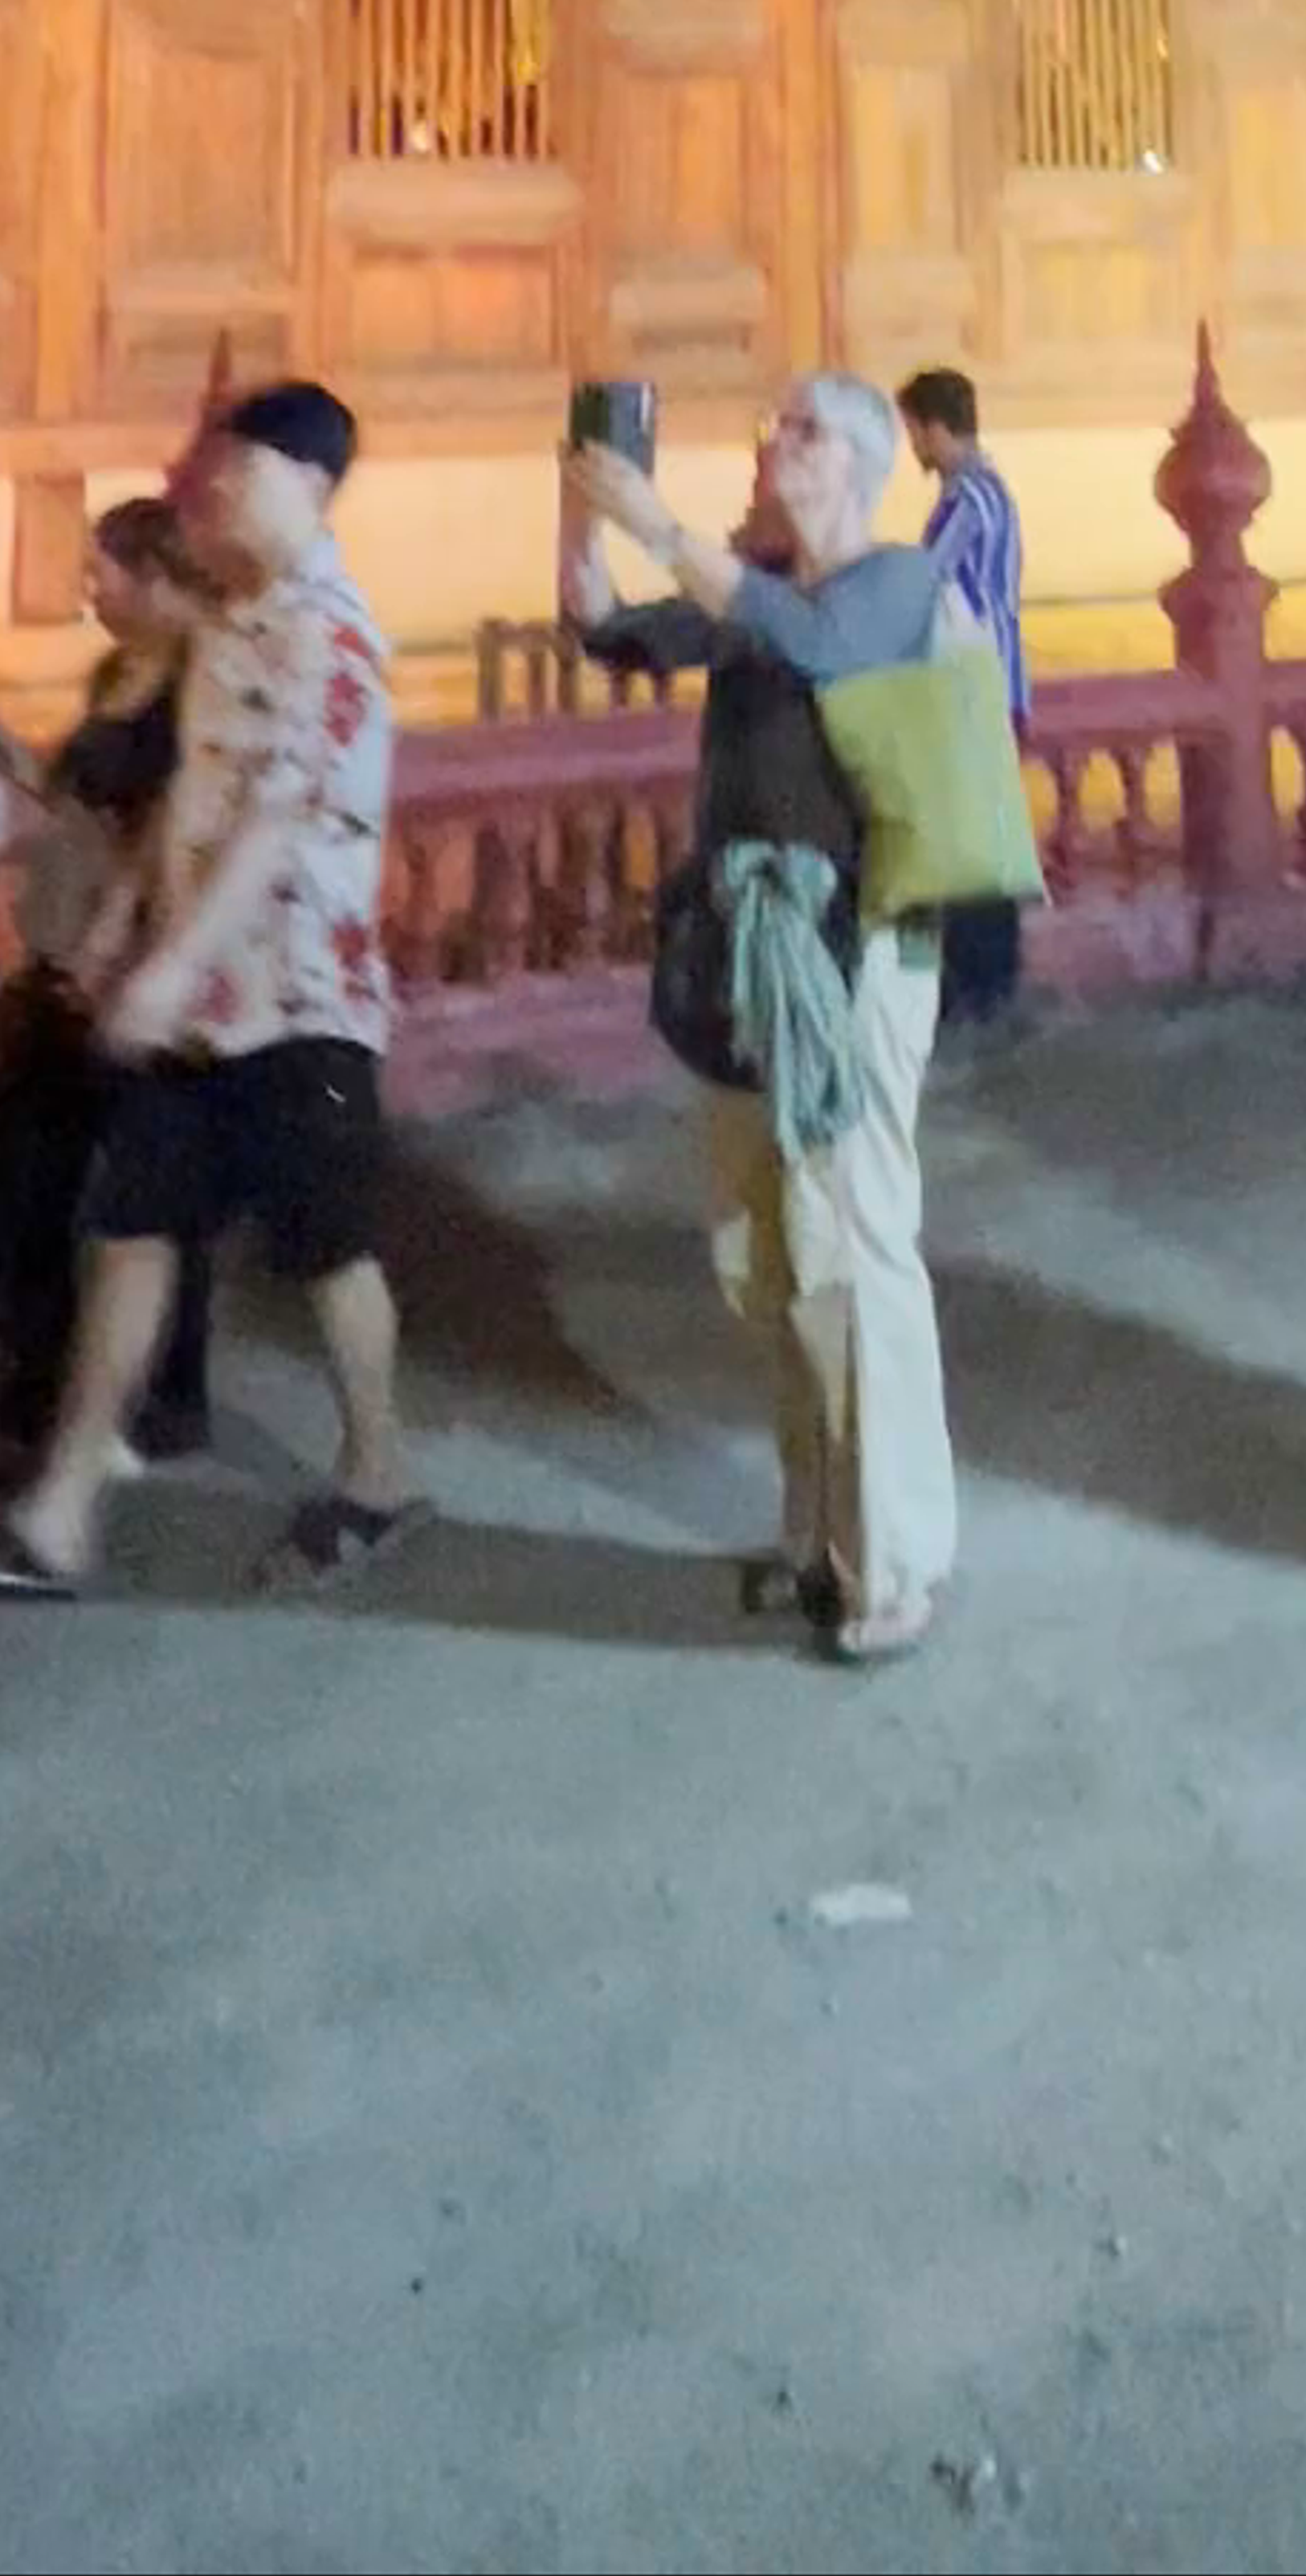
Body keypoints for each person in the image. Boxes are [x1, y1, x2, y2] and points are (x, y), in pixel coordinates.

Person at [0, 380, 409, 1600]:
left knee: (330, 1252)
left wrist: (173, 960)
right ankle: (60, 1516)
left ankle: (376, 1468)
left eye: (233, 474)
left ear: (309, 480)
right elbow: (185, 807)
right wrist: (126, 933)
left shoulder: (332, 635)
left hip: (298, 1002)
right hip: (194, 1009)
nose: (210, 494)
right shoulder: (231, 626)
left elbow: (282, 817)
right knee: (132, 1236)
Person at [565, 373, 961, 1665]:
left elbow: (822, 643)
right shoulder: (755, 592)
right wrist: (582, 515)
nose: (768, 441)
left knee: (853, 1240)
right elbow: (612, 635)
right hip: (749, 948)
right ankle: (817, 1537)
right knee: (770, 1249)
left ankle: (893, 1556)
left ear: (853, 455)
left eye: (795, 428)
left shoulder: (891, 580)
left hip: (854, 948)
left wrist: (669, 525)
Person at [0, 495, 215, 1494]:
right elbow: (83, 803)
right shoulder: (112, 676)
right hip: (63, 963)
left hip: (138, 971)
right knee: (14, 1182)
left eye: (106, 572)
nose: (91, 588)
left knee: (150, 1207)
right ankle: (29, 1399)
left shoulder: (201, 692)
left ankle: (153, 1406)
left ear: (160, 576)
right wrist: (20, 765)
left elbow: (172, 835)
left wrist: (120, 944)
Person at [899, 368, 1029, 1033]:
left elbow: (925, 583)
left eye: (913, 430)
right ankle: (991, 984)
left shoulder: (967, 500)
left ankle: (978, 986)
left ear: (933, 427)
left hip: (970, 690)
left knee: (968, 847)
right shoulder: (990, 491)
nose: (911, 445)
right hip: (994, 687)